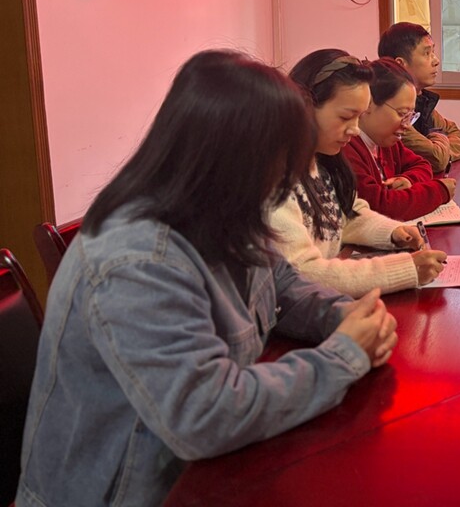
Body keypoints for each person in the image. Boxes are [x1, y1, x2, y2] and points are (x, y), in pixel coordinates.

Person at [17, 51, 398, 507]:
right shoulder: (138, 259)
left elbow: (282, 283)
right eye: (281, 163)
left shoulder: (219, 212)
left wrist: (344, 316)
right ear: (231, 158)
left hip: (194, 473)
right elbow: (204, 415)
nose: (287, 179)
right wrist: (343, 356)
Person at [271, 49, 447, 296]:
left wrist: (392, 232)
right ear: (305, 106)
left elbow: (347, 215)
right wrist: (407, 269)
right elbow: (302, 273)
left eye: (358, 117)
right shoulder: (274, 183)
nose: (355, 130)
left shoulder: (319, 163)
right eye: (346, 117)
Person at [342, 58, 456, 221]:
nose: (406, 125)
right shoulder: (346, 147)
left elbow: (422, 165)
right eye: (402, 114)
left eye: (411, 116)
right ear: (368, 104)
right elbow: (380, 207)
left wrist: (407, 180)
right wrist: (439, 191)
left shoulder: (385, 142)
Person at [378, 21, 460, 174]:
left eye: (433, 52)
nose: (436, 60)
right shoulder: (392, 110)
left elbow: (455, 133)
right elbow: (436, 159)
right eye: (426, 53)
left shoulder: (422, 100)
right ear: (400, 64)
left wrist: (441, 149)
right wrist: (440, 141)